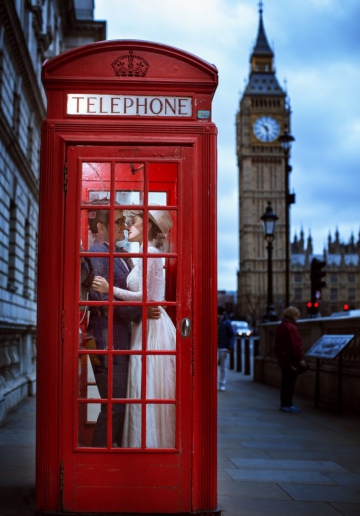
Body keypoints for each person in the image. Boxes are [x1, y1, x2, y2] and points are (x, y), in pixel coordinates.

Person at [92, 209, 176, 448]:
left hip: (153, 328)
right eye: (121, 222)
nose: (127, 226)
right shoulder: (139, 254)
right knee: (139, 389)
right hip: (141, 326)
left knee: (146, 388)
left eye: (132, 222)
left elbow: (146, 297)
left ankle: (150, 447)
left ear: (147, 226)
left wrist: (111, 290)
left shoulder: (151, 254)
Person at [274, 306, 307, 413]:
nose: (298, 317)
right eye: (297, 315)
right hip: (291, 359)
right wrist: (300, 358)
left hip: (283, 358)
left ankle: (284, 403)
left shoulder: (281, 326)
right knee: (290, 382)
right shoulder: (291, 327)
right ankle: (288, 404)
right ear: (293, 315)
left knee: (285, 382)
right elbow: (295, 345)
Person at [217, 306, 235, 391]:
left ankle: (222, 384)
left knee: (223, 368)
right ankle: (215, 383)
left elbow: (232, 335)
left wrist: (230, 347)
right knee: (214, 368)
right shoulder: (215, 321)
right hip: (216, 348)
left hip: (224, 347)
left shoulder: (227, 323)